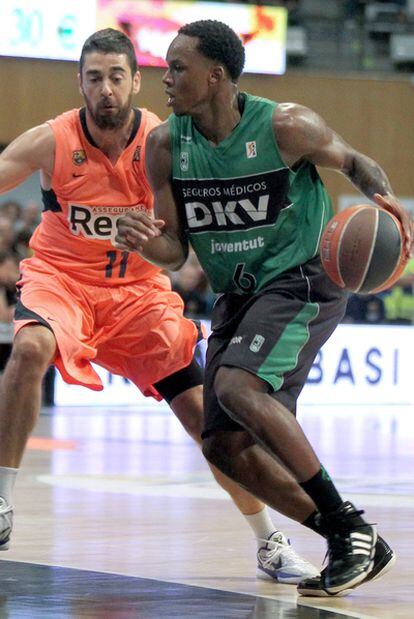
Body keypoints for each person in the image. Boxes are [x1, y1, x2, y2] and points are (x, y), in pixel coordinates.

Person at [0, 28, 325, 585]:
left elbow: (202, 220)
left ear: (136, 81)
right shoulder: (50, 140)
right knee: (31, 346)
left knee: (209, 422)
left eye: (117, 77)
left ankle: (268, 540)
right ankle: (2, 500)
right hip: (63, 281)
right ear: (79, 82)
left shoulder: (165, 140)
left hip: (139, 297)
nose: (106, 89)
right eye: (95, 77)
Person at [115, 20, 411, 596]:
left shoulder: (286, 125)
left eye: (178, 67)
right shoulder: (165, 145)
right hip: (238, 297)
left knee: (235, 387)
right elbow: (175, 250)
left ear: (216, 75)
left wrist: (392, 211)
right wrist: (141, 239)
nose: (165, 78)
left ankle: (346, 525)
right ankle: (351, 537)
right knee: (223, 444)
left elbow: (356, 163)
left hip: (302, 279)